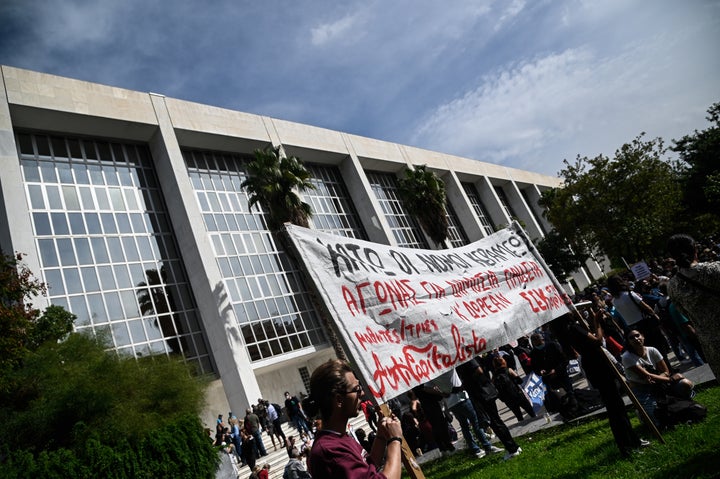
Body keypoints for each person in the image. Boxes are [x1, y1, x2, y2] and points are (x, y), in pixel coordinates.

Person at [564, 312, 648, 457]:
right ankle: (626, 446)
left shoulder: (570, 329)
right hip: (599, 368)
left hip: (597, 368)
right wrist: (597, 323)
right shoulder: (574, 328)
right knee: (616, 410)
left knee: (618, 407)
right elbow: (597, 341)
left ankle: (633, 440)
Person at [302, 359, 403, 479]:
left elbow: (368, 467)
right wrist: (395, 440)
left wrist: (381, 436)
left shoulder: (338, 437)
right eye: (357, 389)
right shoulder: (330, 450)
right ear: (339, 399)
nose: (362, 394)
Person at [667, 233, 720, 376]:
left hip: (711, 344)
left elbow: (684, 312)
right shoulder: (714, 270)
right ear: (695, 249)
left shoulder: (672, 286)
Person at [621, 329, 695, 426]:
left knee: (685, 383)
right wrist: (670, 379)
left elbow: (666, 371)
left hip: (659, 383)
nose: (636, 339)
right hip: (642, 389)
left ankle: (686, 401)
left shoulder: (652, 350)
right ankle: (642, 413)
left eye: (637, 335)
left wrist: (659, 378)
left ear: (642, 336)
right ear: (628, 342)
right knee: (658, 421)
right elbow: (648, 375)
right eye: (631, 338)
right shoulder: (627, 357)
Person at [456, 358, 522, 460]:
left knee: (495, 422)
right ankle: (514, 447)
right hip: (482, 394)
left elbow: (479, 370)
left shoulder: (466, 359)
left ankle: (512, 449)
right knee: (496, 421)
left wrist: (468, 383)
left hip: (483, 394)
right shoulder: (462, 361)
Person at [434, 369, 503, 458]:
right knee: (475, 422)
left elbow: (427, 387)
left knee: (464, 426)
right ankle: (487, 446)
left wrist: (441, 393)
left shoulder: (433, 374)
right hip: (461, 398)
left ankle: (475, 450)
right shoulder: (448, 368)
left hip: (451, 403)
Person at [529, 333, 577, 414]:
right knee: (558, 397)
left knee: (570, 393)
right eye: (535, 341)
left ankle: (576, 408)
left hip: (561, 375)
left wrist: (556, 370)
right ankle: (566, 412)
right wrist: (540, 371)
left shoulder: (553, 346)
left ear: (542, 339)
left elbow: (564, 360)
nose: (537, 343)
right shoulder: (533, 353)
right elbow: (534, 368)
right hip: (549, 379)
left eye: (538, 340)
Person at [412, 382, 455, 454]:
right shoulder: (422, 384)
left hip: (427, 406)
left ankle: (443, 447)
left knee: (436, 427)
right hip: (432, 405)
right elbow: (428, 390)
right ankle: (448, 445)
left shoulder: (416, 386)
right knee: (441, 425)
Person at [492, 356, 536, 421]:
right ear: (503, 362)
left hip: (508, 399)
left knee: (519, 417)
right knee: (531, 412)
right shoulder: (508, 370)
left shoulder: (494, 376)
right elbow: (520, 381)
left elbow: (495, 389)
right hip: (518, 394)